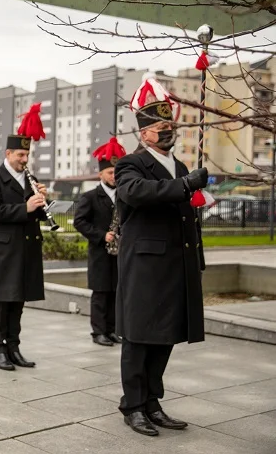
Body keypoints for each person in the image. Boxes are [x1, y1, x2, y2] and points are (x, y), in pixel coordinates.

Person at [115, 73, 208, 436]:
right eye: (159, 126)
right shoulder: (130, 164)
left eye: (170, 124)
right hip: (145, 265)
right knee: (139, 337)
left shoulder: (180, 166)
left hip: (176, 264)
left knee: (165, 335)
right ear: (144, 133)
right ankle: (133, 405)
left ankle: (153, 401)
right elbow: (135, 193)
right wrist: (184, 186)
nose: (167, 130)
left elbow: (186, 213)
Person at [0, 103, 48, 371]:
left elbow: (38, 214)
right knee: (1, 303)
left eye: (27, 154)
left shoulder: (30, 178)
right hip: (3, 251)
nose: (24, 159)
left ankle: (14, 347)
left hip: (26, 248)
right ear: (8, 153)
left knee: (18, 302)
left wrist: (43, 202)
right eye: (20, 154)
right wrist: (26, 207)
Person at [73, 137, 126, 347]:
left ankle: (112, 330)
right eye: (110, 172)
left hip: (120, 251)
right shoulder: (90, 196)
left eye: (116, 172)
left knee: (115, 292)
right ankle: (98, 332)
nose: (114, 176)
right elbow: (79, 222)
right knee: (101, 294)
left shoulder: (124, 194)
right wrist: (101, 235)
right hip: (100, 252)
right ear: (100, 174)